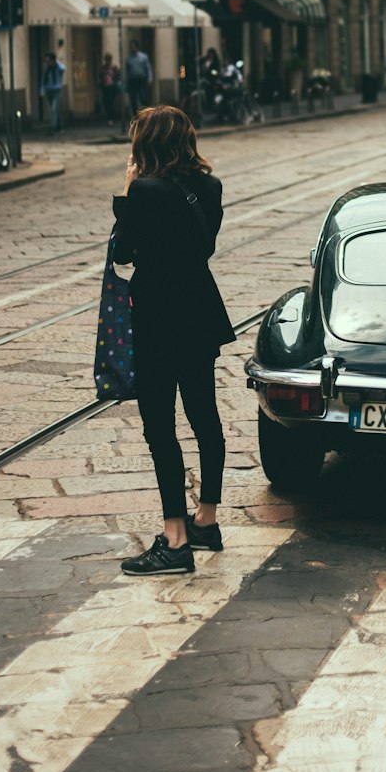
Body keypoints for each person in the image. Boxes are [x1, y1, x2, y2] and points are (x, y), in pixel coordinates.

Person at [112, 105, 235, 576]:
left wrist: (126, 192)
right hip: (200, 311)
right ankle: (206, 520)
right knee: (205, 416)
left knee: (160, 426)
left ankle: (175, 540)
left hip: (159, 316)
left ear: (147, 143)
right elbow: (204, 247)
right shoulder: (210, 186)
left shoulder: (143, 189)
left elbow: (124, 252)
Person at [40, 51, 66, 134]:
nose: (47, 63)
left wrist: (56, 62)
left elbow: (63, 68)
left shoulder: (58, 68)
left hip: (56, 91)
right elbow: (43, 80)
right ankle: (59, 126)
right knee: (55, 110)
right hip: (49, 90)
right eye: (46, 61)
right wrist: (42, 90)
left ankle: (53, 127)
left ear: (52, 60)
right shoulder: (47, 70)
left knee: (54, 109)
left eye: (48, 61)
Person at [126, 41, 153, 116]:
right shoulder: (129, 59)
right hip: (132, 81)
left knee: (143, 98)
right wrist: (127, 83)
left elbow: (148, 68)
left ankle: (147, 114)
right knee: (133, 100)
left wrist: (149, 79)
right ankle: (136, 116)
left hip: (141, 80)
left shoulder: (143, 57)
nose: (132, 48)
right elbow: (128, 72)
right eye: (131, 47)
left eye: (133, 46)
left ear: (137, 47)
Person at [99, 53, 119, 126]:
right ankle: (109, 118)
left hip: (112, 87)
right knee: (106, 103)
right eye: (106, 59)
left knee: (111, 103)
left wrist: (113, 75)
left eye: (108, 59)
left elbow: (117, 76)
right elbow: (100, 76)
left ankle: (111, 118)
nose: (107, 61)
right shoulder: (103, 67)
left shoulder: (114, 67)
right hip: (105, 87)